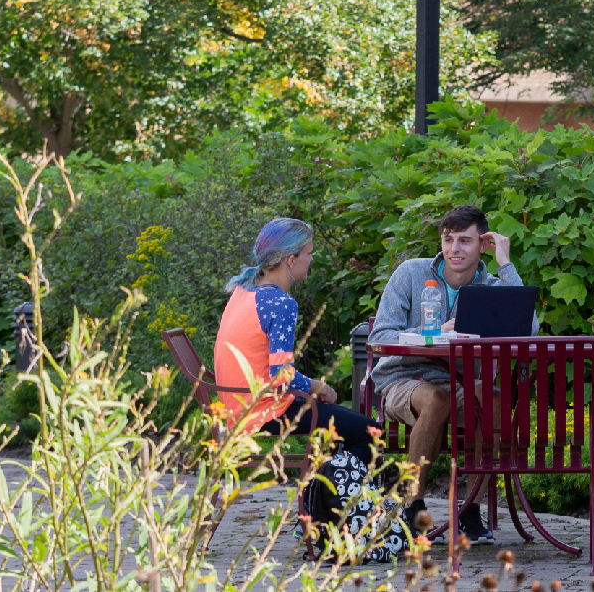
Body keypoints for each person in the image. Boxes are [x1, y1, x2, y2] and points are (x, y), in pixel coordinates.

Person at [369, 205, 539, 544]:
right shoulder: (412, 273)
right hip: (405, 377)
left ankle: (470, 510)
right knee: (437, 397)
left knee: (491, 399)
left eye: (465, 240)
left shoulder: (492, 285)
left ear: (483, 245)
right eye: (449, 240)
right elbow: (380, 337)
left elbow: (528, 330)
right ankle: (412, 505)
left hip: (460, 382)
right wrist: (432, 333)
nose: (455, 249)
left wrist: (506, 265)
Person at [215, 217, 379, 459]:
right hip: (263, 412)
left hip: (236, 408)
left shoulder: (243, 291)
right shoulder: (280, 304)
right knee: (370, 432)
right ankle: (354, 497)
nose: (311, 259)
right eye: (308, 253)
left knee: (348, 424)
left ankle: (330, 494)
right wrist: (320, 387)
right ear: (290, 260)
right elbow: (281, 378)